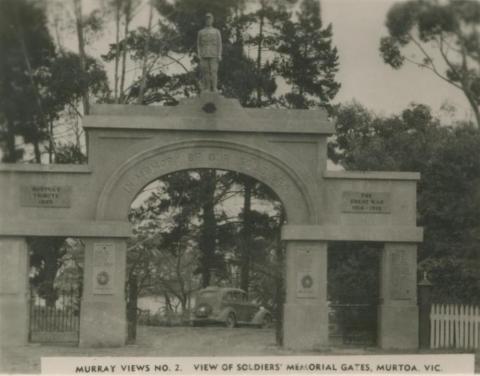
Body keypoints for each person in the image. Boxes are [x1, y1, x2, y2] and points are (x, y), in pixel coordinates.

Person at [197, 13, 222, 92]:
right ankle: (207, 88)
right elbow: (198, 44)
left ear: (212, 20)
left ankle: (214, 88)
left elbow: (219, 44)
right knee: (206, 72)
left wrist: (219, 54)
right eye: (207, 19)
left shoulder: (216, 31)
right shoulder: (200, 32)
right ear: (205, 21)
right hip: (204, 54)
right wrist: (199, 54)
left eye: (210, 19)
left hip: (214, 54)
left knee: (214, 71)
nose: (208, 20)